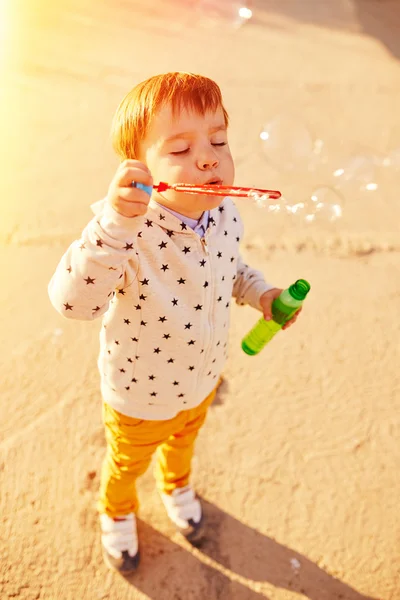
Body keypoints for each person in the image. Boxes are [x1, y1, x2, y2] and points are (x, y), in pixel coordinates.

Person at [48, 72, 301, 574]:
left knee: (185, 442)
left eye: (219, 141)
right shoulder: (127, 235)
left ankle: (176, 485)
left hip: (202, 378)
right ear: (139, 171)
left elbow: (231, 268)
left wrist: (261, 295)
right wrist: (115, 224)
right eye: (181, 150)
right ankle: (117, 511)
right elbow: (73, 303)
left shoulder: (225, 216)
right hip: (140, 394)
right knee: (126, 464)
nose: (208, 158)